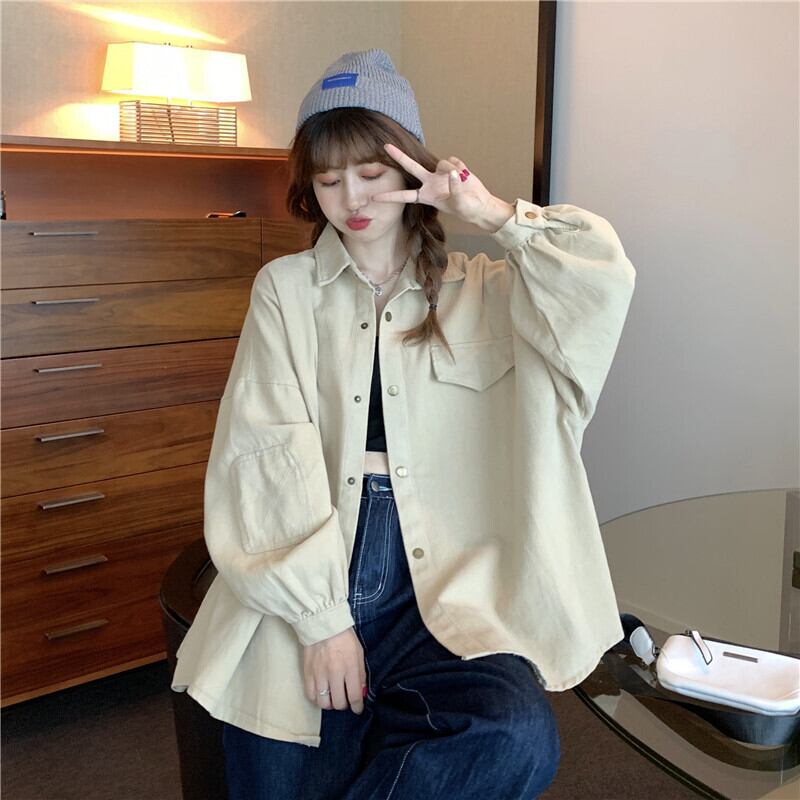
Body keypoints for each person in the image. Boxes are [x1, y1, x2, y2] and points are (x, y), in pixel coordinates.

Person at [170, 48, 637, 800]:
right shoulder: (286, 290)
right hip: (318, 552)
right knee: (281, 775)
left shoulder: (487, 291)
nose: (351, 198)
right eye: (328, 180)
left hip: (451, 578)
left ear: (411, 167)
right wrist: (323, 621)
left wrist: (489, 214)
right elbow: (267, 451)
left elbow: (602, 279)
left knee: (513, 740)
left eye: (371, 172)